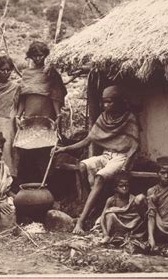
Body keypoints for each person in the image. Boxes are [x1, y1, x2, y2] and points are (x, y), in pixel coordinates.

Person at [54, 85, 140, 234]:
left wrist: (126, 165)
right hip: (106, 155)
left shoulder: (129, 118)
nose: (106, 105)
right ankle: (91, 205)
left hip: (121, 157)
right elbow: (88, 140)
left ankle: (81, 221)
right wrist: (65, 149)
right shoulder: (103, 118)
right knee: (82, 166)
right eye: (104, 102)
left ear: (119, 102)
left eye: (110, 102)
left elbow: (134, 145)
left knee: (99, 177)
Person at [15, 41, 67, 184]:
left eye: (41, 55)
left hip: (46, 116)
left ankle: (47, 184)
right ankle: (29, 184)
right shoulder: (27, 74)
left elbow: (56, 95)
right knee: (27, 149)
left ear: (46, 55)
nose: (38, 58)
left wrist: (57, 116)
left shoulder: (50, 72)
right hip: (30, 117)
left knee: (46, 150)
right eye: (35, 55)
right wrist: (18, 116)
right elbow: (23, 97)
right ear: (30, 56)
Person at [94, 171, 146, 243]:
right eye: (121, 186)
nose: (124, 188)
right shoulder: (111, 200)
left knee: (139, 218)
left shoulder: (132, 199)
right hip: (115, 226)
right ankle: (109, 236)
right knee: (109, 215)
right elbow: (103, 217)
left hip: (129, 225)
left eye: (127, 185)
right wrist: (105, 234)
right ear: (115, 188)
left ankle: (127, 236)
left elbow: (135, 215)